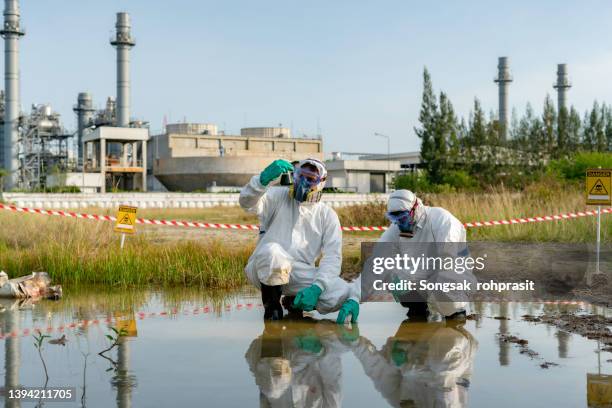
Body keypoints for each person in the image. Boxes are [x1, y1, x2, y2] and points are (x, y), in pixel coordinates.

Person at [240, 158, 359, 322]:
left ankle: (294, 303)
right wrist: (261, 181)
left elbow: (333, 258)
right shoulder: (277, 196)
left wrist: (317, 288)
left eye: (310, 179)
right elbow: (246, 203)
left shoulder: (326, 215)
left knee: (342, 292)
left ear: (321, 183)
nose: (302, 182)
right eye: (299, 176)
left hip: (298, 274)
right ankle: (272, 310)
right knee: (272, 252)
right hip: (264, 269)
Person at [377, 190, 473, 319]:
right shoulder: (397, 228)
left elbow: (446, 260)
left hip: (452, 271)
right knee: (391, 276)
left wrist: (413, 277)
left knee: (443, 285)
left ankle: (455, 312)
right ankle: (418, 308)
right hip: (422, 272)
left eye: (403, 218)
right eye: (394, 219)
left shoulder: (442, 220)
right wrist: (354, 298)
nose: (399, 224)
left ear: (415, 209)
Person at [351, 320, 477, 407]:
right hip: (455, 346)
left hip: (418, 337)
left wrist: (355, 342)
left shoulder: (398, 400)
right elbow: (442, 382)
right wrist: (407, 365)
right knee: (441, 366)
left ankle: (416, 301)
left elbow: (376, 369)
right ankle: (451, 311)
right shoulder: (448, 403)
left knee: (396, 358)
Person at [244, 320, 358, 408]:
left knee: (272, 384)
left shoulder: (271, 389)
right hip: (315, 339)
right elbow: (333, 378)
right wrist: (321, 352)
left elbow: (253, 360)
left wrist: (269, 360)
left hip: (280, 338)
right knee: (344, 343)